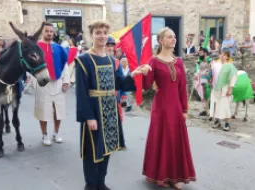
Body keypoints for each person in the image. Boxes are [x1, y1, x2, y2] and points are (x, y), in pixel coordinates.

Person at [75, 20, 142, 190]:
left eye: (105, 32)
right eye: (98, 32)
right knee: (92, 151)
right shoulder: (84, 60)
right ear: (92, 35)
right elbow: (81, 92)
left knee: (107, 147)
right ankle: (90, 185)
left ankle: (100, 182)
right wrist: (89, 117)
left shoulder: (112, 60)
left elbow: (119, 83)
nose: (102, 35)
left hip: (110, 110)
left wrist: (132, 75)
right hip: (94, 110)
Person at [140, 27, 196, 189]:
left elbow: (182, 87)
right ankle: (163, 175)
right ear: (161, 40)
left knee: (175, 140)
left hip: (176, 107)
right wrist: (144, 73)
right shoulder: (153, 61)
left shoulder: (178, 61)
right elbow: (146, 86)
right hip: (161, 107)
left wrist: (185, 109)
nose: (173, 39)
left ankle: (176, 176)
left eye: (174, 37)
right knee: (162, 140)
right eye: (169, 37)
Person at [36, 22, 70, 146]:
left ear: (54, 33)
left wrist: (66, 81)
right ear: (43, 32)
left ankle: (56, 133)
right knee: (43, 110)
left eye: (51, 31)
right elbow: (32, 65)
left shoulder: (59, 48)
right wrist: (38, 81)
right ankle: (44, 135)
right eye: (47, 31)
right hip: (43, 83)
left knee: (58, 110)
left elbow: (64, 65)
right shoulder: (37, 47)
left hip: (58, 82)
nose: (49, 33)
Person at [213, 49, 237, 131]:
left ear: (227, 56)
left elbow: (233, 77)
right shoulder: (217, 65)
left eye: (224, 55)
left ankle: (227, 123)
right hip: (217, 89)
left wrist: (230, 89)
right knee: (217, 106)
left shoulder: (230, 66)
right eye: (221, 54)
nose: (222, 56)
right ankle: (217, 121)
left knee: (225, 106)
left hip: (225, 89)